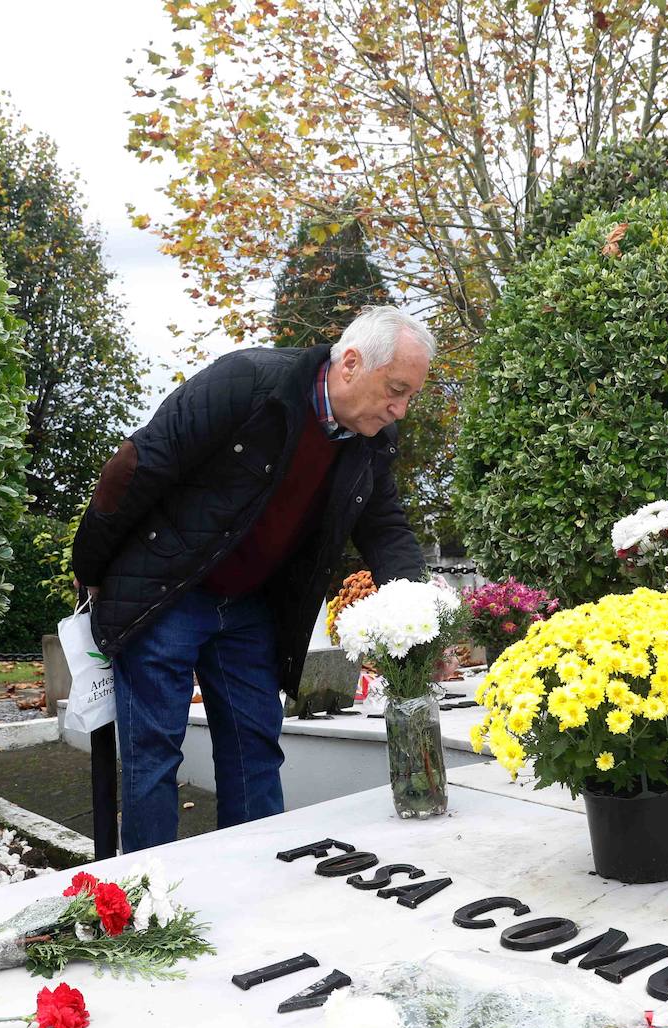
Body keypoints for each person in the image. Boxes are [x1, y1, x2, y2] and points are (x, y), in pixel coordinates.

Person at [71, 305, 433, 851]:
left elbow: (385, 528)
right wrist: (91, 570)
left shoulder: (369, 441)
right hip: (171, 593)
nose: (400, 410)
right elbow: (136, 467)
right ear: (352, 363)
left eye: (409, 397)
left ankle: (257, 880)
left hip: (252, 607)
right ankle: (150, 902)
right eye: (396, 389)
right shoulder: (249, 383)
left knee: (255, 750)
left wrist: (422, 614)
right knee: (153, 756)